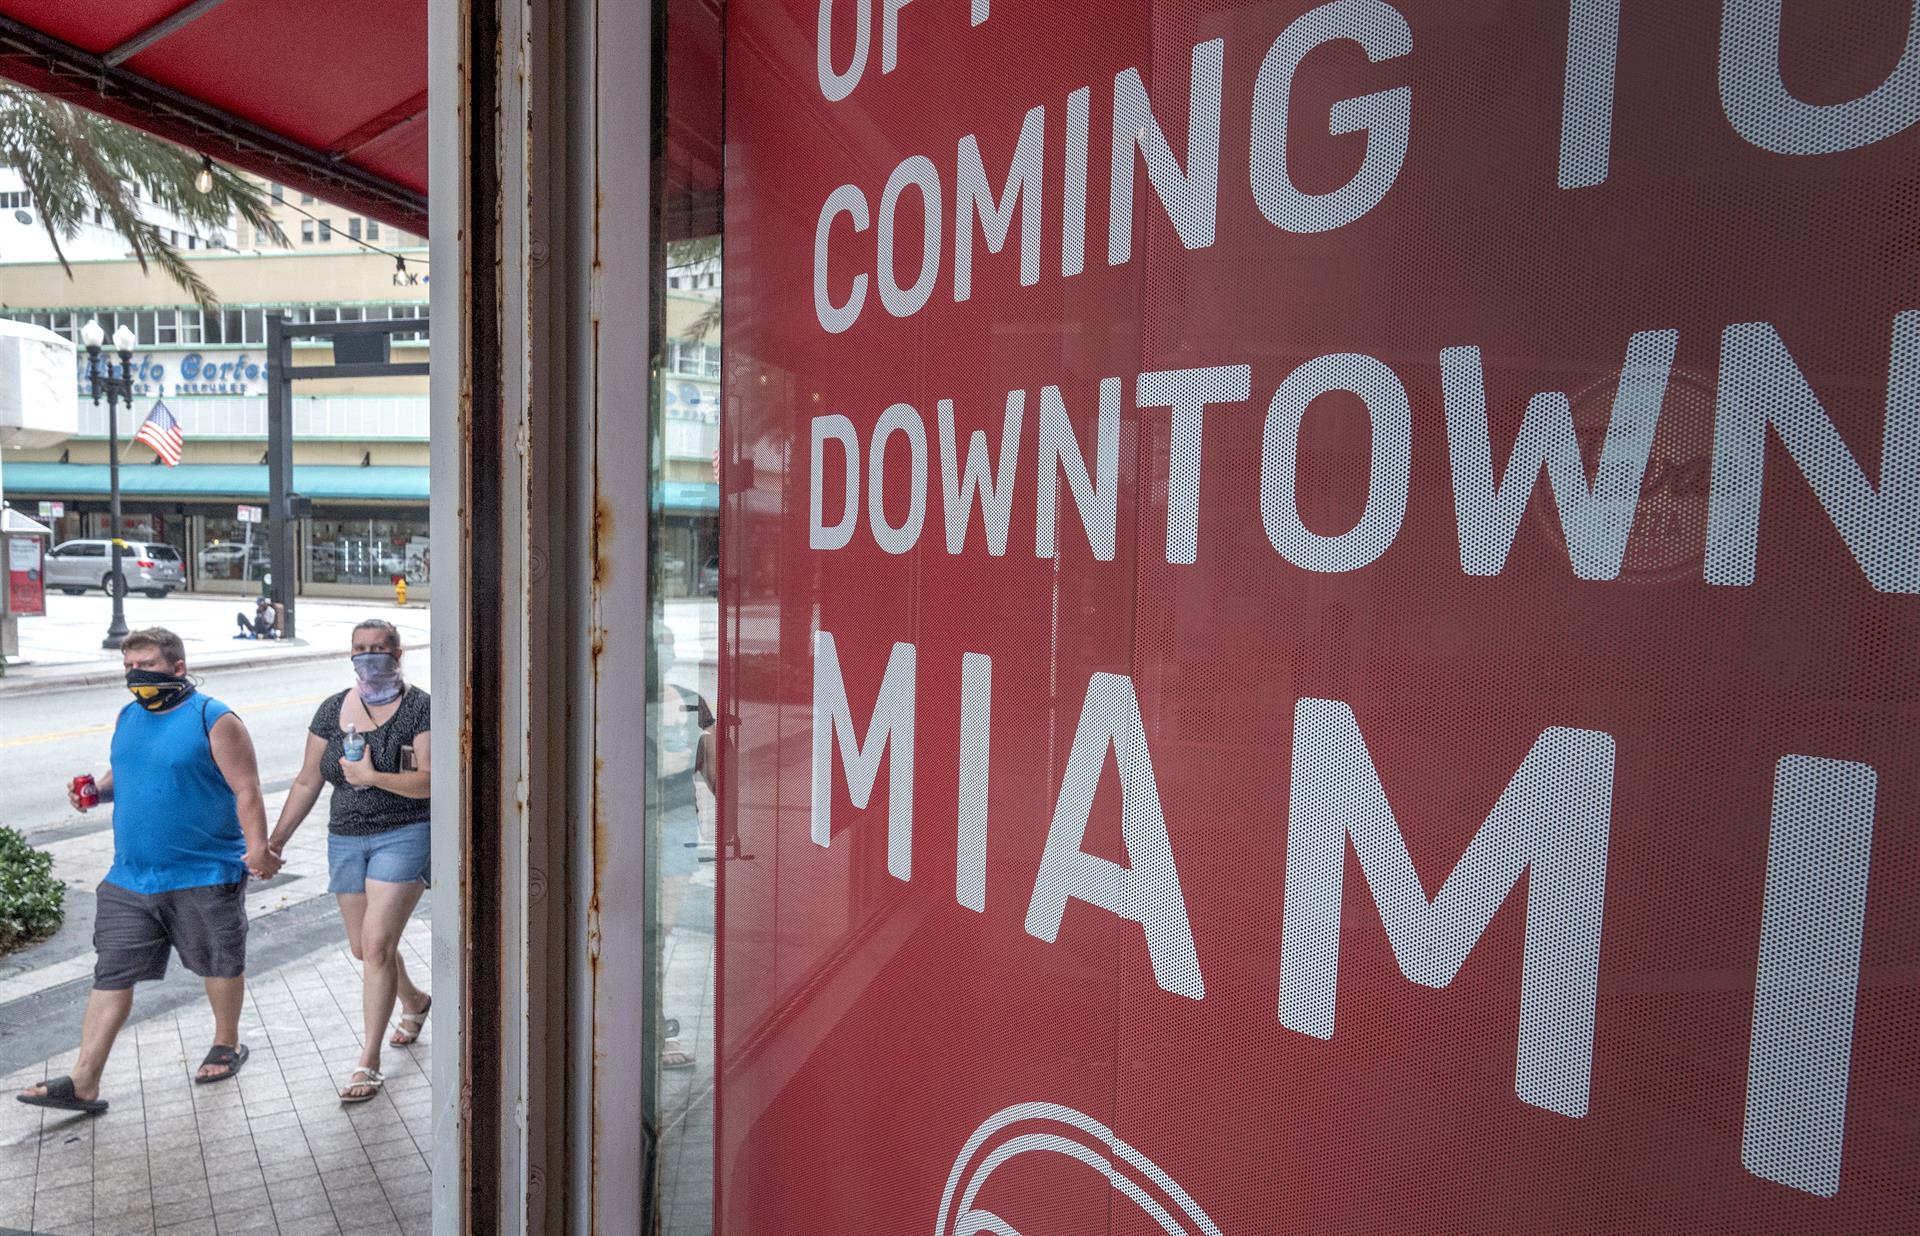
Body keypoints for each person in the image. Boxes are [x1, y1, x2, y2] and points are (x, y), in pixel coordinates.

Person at [18, 628, 277, 1116]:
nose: (136, 675)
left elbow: (246, 789)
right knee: (112, 973)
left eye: (147, 666)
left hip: (204, 869)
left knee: (219, 961)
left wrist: (258, 849)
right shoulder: (128, 716)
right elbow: (129, 769)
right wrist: (96, 792)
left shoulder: (214, 719)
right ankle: (84, 1081)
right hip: (130, 876)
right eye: (128, 667)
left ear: (178, 668)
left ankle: (227, 1042)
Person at [269, 619, 431, 1103]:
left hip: (404, 832)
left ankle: (369, 1060)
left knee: (378, 944)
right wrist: (275, 842)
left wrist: (371, 776)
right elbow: (306, 781)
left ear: (398, 653)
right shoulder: (332, 710)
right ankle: (415, 1000)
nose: (368, 656)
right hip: (346, 838)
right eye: (360, 649)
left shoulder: (421, 708)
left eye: (379, 648)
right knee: (365, 950)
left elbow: (430, 781)